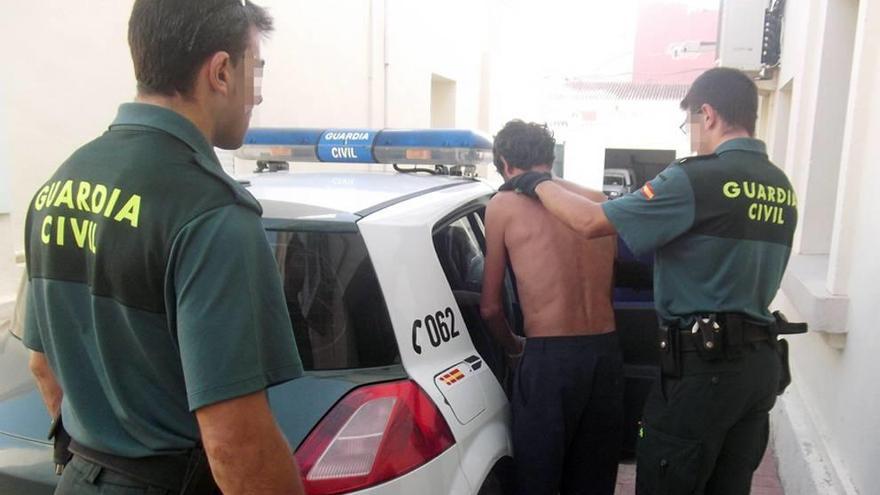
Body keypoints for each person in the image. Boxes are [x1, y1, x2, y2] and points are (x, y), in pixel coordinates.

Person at [22, 1, 306, 493]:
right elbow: (235, 446)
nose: (255, 97)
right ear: (220, 72)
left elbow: (42, 365)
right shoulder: (213, 214)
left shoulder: (59, 183)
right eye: (253, 72)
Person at [503, 68, 798, 494]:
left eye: (689, 123)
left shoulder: (696, 178)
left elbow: (590, 221)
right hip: (758, 371)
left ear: (708, 115)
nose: (691, 133)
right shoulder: (779, 185)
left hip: (702, 373)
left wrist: (535, 181)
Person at [480, 120, 624, 495]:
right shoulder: (597, 202)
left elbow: (490, 309)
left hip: (549, 359)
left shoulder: (503, 205)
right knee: (594, 478)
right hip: (605, 354)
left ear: (506, 164)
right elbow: (607, 288)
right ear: (549, 157)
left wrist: (514, 348)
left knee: (538, 480)